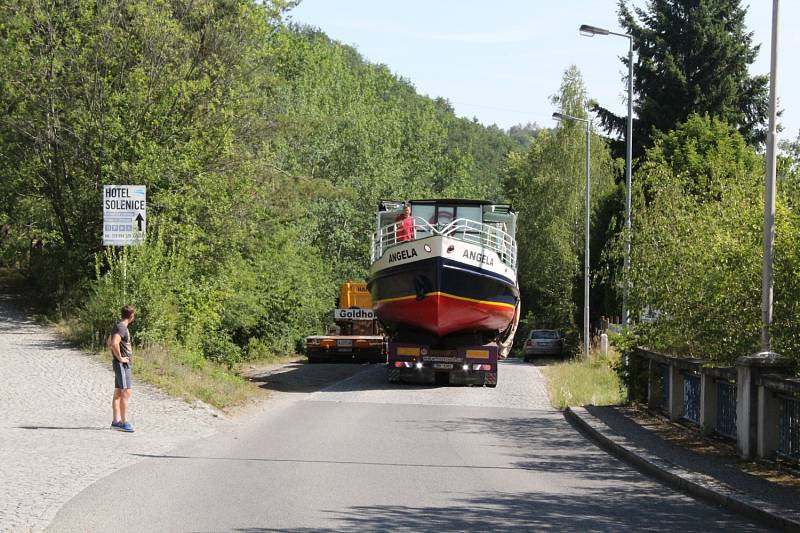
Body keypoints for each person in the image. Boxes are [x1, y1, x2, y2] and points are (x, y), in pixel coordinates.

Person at [108, 305, 135, 432]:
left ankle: (116, 421)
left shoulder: (117, 325)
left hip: (120, 364)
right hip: (122, 365)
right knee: (126, 391)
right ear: (131, 316)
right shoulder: (122, 327)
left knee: (118, 392)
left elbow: (109, 342)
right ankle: (124, 422)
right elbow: (113, 343)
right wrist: (120, 358)